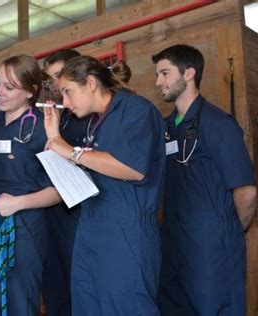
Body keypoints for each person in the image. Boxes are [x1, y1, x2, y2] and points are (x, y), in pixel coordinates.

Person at [43, 55, 166, 315]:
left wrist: (71, 152)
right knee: (87, 306)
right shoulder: (96, 121)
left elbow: (133, 169)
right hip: (91, 226)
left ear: (90, 83)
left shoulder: (135, 110)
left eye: (68, 92)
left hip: (126, 232)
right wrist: (54, 137)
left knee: (126, 307)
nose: (64, 102)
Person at [153, 44, 257, 316]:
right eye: (157, 74)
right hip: (173, 244)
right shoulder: (166, 128)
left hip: (211, 247)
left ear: (189, 73)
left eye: (165, 73)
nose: (157, 82)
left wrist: (231, 231)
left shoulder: (218, 124)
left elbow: (246, 192)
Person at [0, 54, 61, 316]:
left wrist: (18, 203)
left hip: (24, 232)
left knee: (18, 305)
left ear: (30, 91)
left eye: (9, 87)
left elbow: (60, 191)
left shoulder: (44, 129)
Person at [40, 48, 90, 316]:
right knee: (55, 289)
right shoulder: (62, 117)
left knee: (81, 289)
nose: (57, 86)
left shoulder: (93, 118)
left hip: (84, 219)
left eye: (60, 76)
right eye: (52, 80)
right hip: (55, 218)